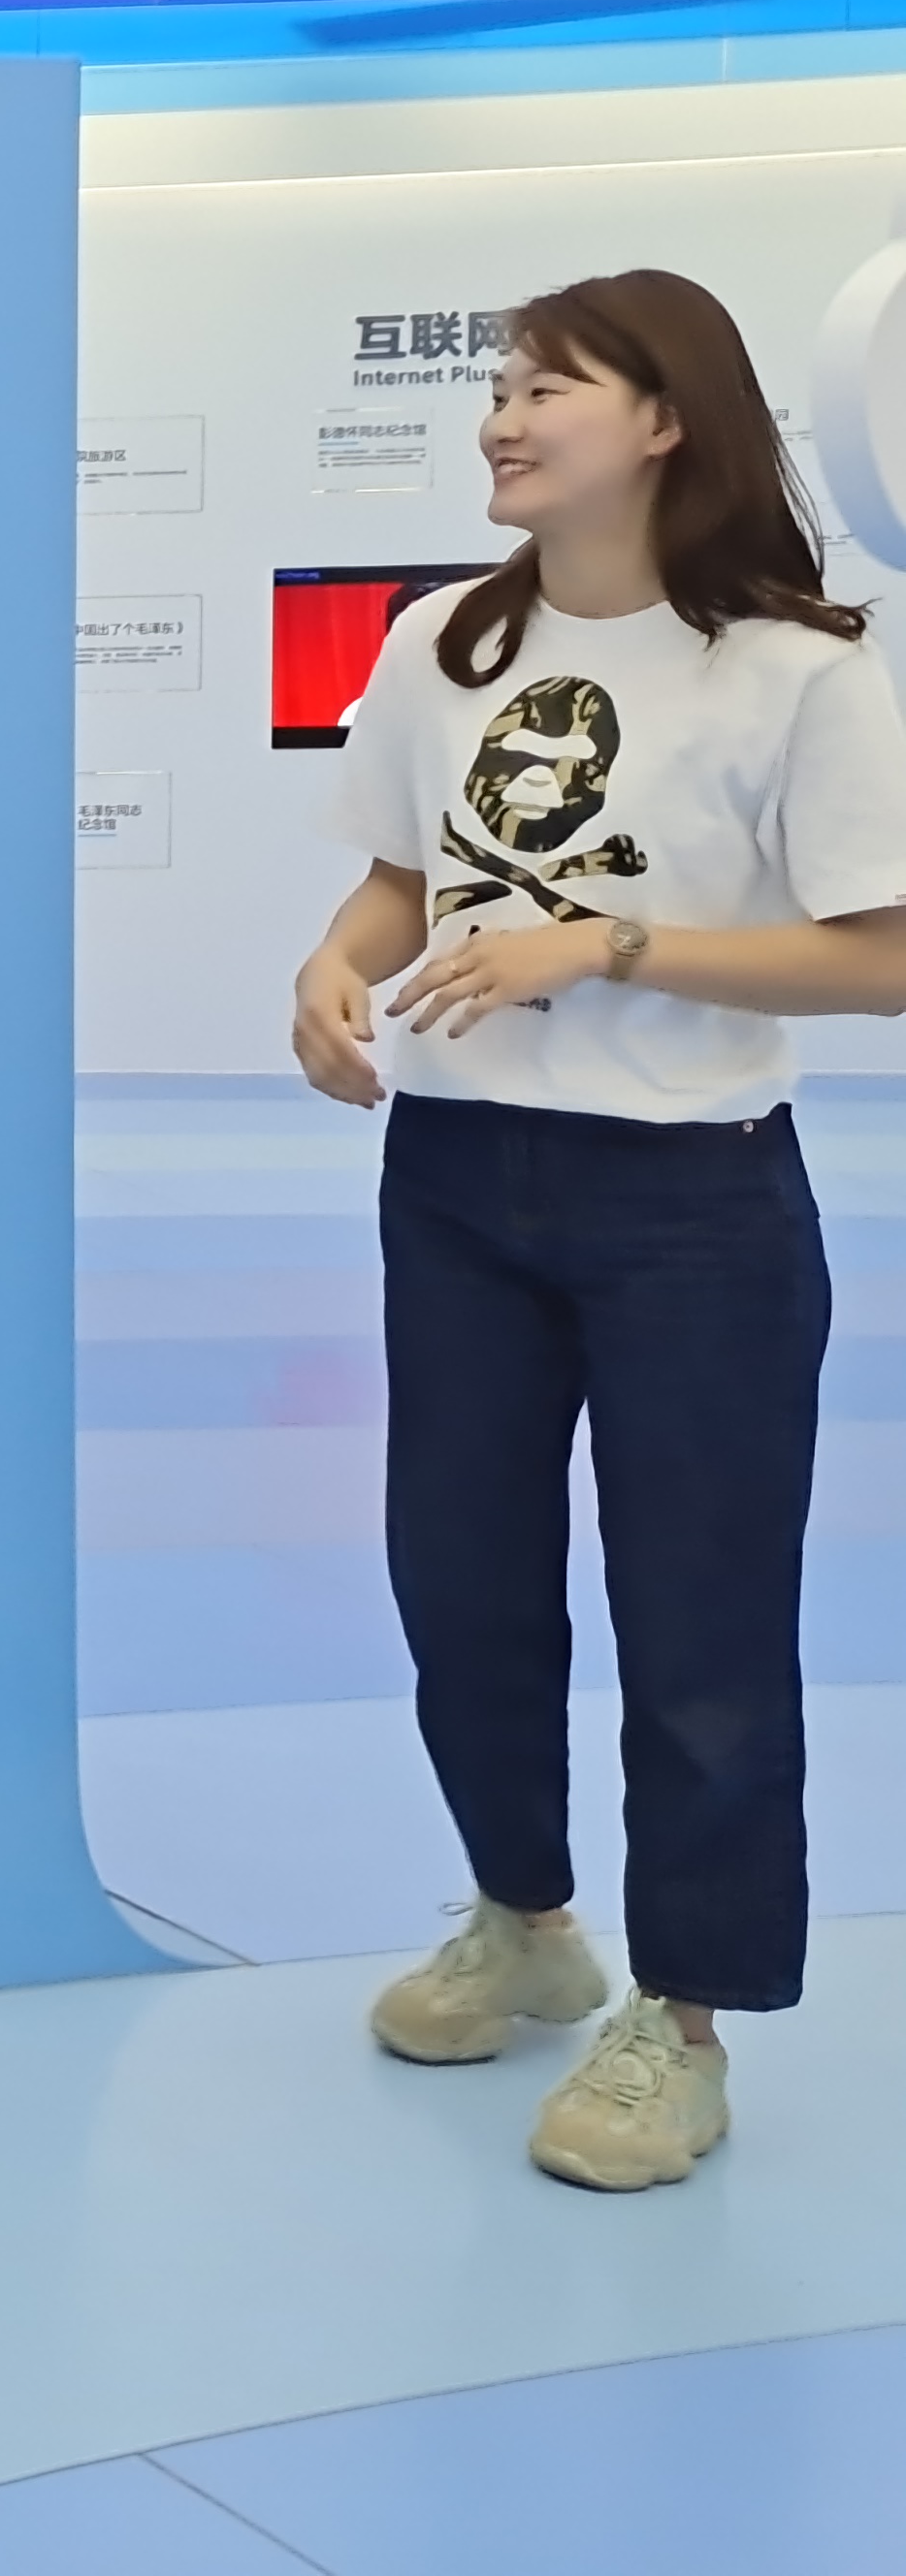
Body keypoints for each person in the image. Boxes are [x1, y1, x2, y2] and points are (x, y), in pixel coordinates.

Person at [288, 271, 906, 2193]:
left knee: (698, 1626)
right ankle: (525, 1921)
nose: (498, 414)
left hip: (691, 1205)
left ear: (664, 420)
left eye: (544, 385)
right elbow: (400, 877)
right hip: (454, 1185)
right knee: (459, 1585)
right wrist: (328, 970)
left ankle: (686, 2021)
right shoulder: (438, 642)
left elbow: (881, 956)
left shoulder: (795, 673)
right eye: (495, 383)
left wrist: (608, 945)